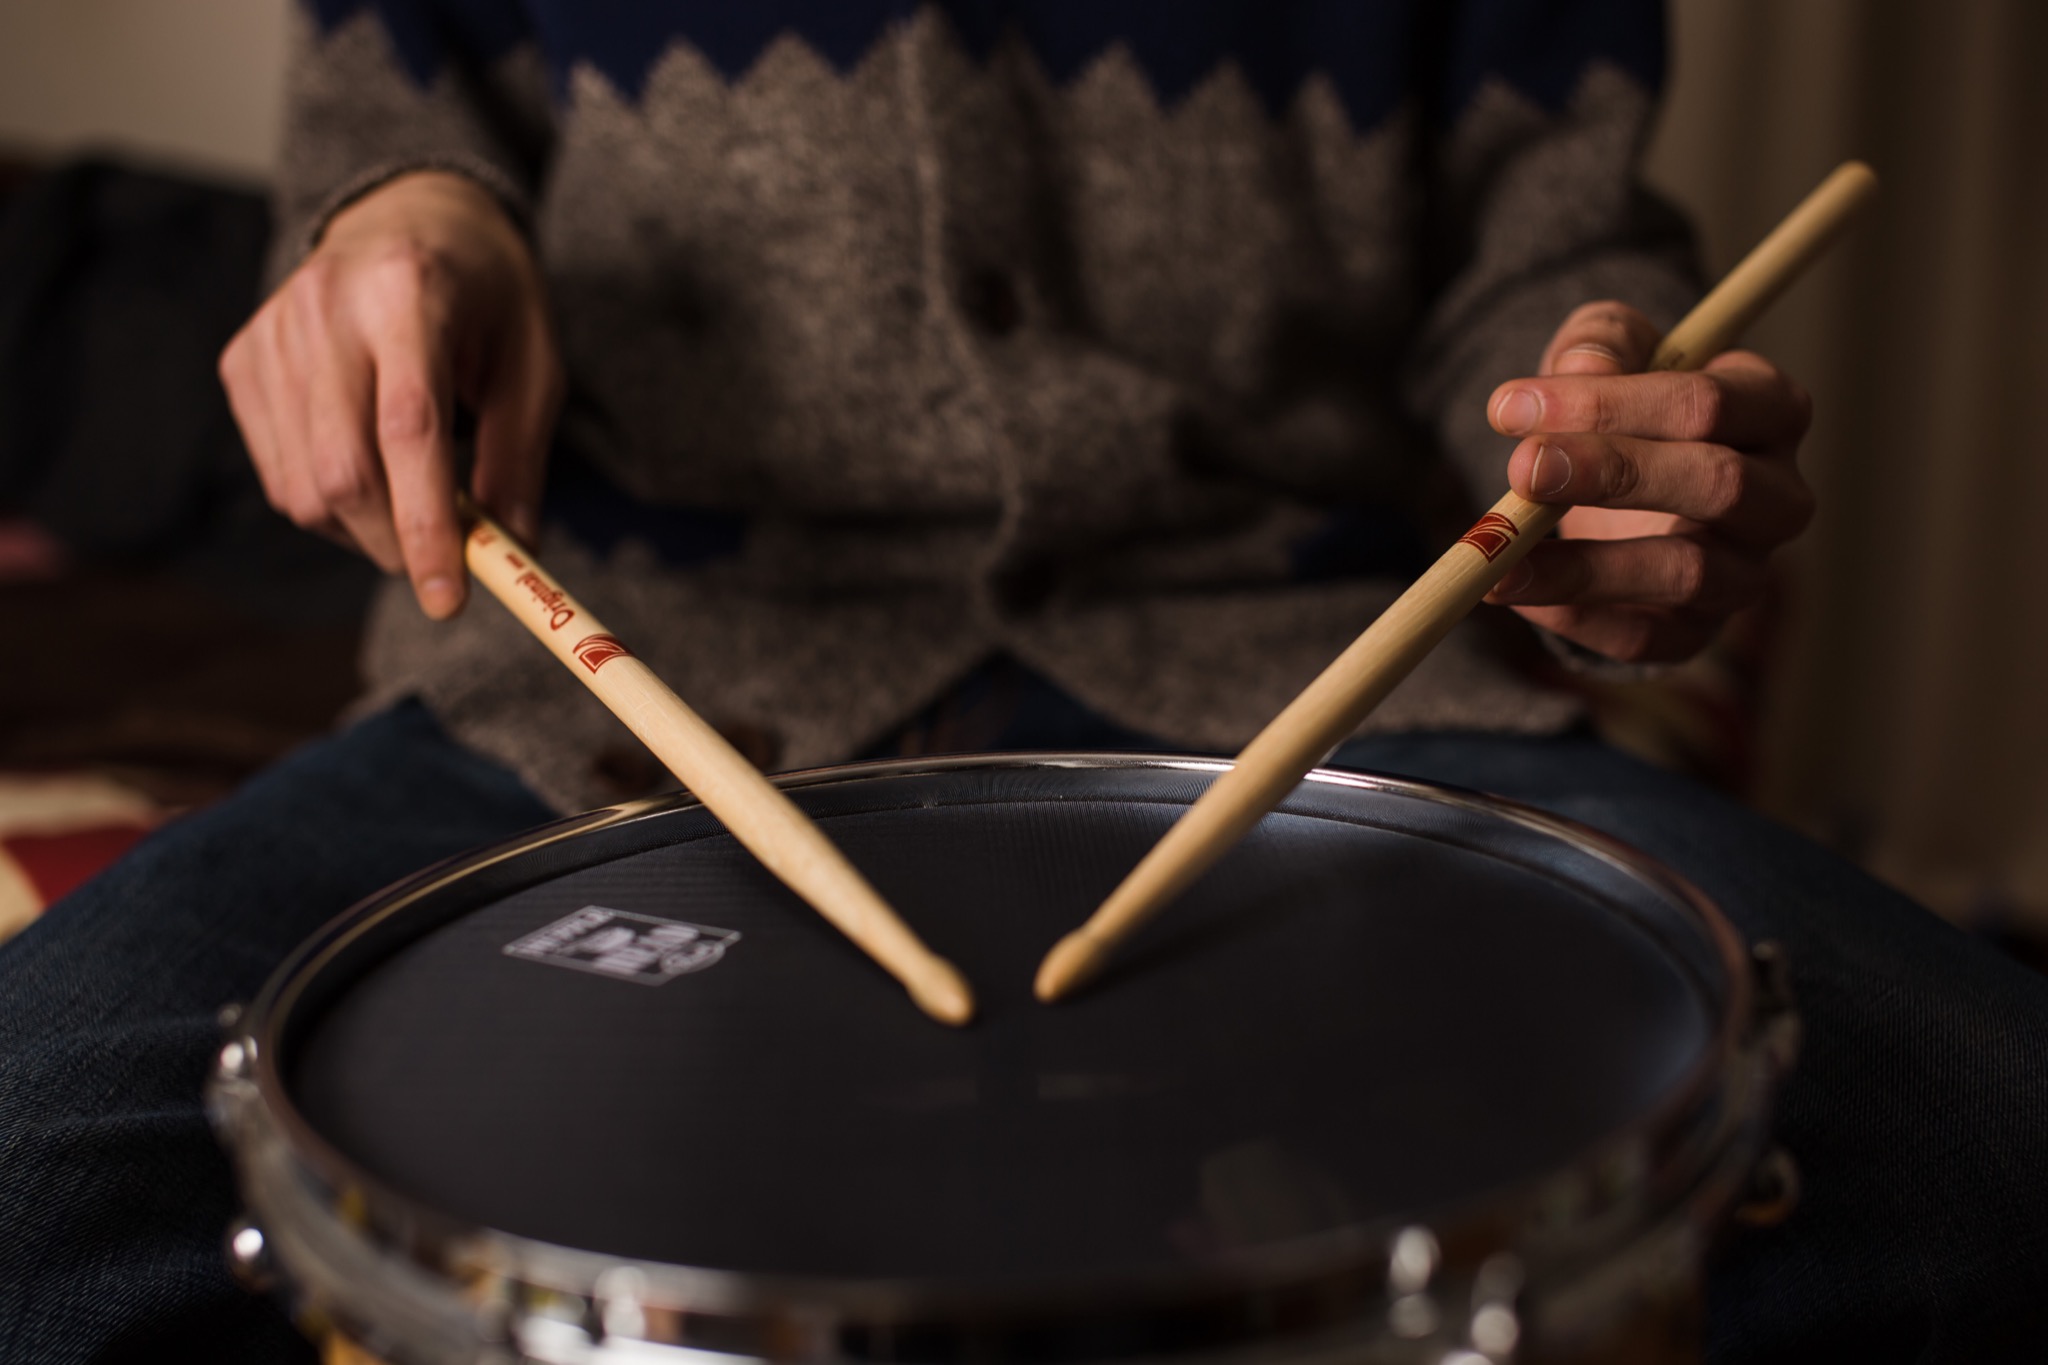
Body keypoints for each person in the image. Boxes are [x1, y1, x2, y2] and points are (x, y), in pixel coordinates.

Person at [1, 3, 2043, 1362]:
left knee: (1978, 1121)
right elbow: (403, 131)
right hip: (601, 707)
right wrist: (405, 237)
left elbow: (1540, 245)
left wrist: (1600, 421)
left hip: (1307, 685)